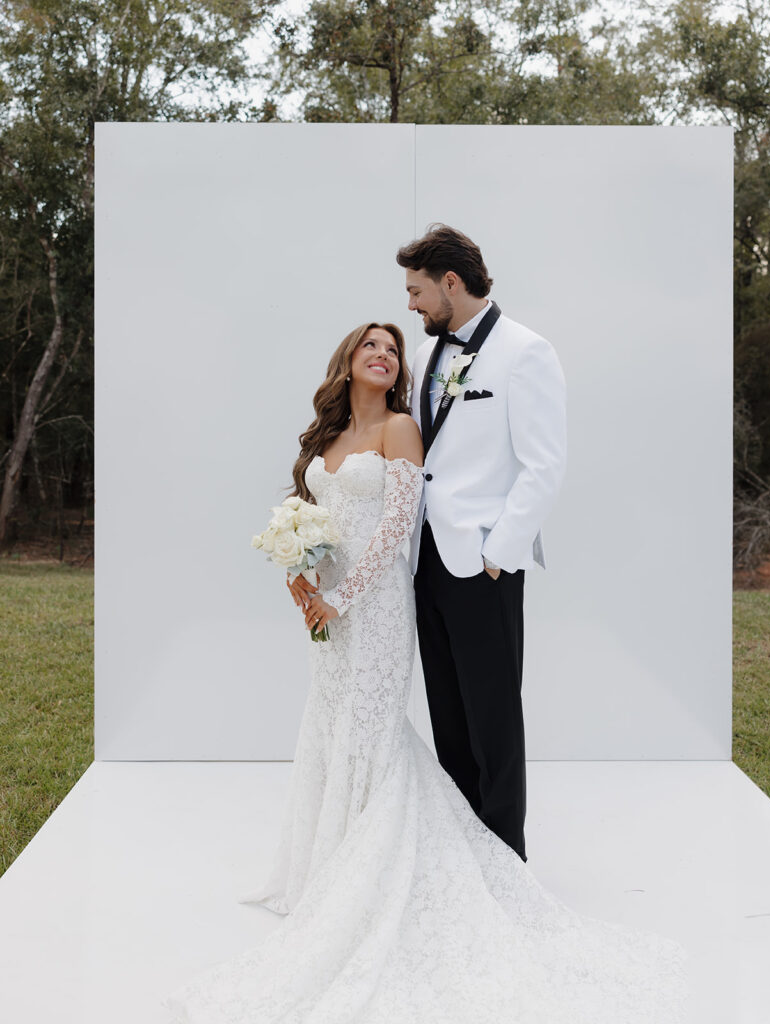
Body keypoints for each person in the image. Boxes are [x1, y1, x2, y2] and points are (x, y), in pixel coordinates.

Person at [162, 311, 688, 1022]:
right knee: (329, 720)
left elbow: (395, 527)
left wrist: (344, 596)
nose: (382, 352)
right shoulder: (326, 439)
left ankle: (394, 875)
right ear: (347, 363)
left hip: (373, 608)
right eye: (369, 345)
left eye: (392, 347)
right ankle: (326, 867)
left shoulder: (401, 430)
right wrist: (298, 574)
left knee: (374, 729)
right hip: (328, 609)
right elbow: (304, 511)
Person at [398, 223, 567, 863]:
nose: (411, 306)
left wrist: (500, 553)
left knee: (494, 713)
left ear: (450, 283)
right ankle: (467, 850)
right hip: (426, 560)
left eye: (417, 292)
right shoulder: (428, 353)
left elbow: (544, 464)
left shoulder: (526, 351)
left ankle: (506, 856)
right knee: (447, 709)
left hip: (484, 562)